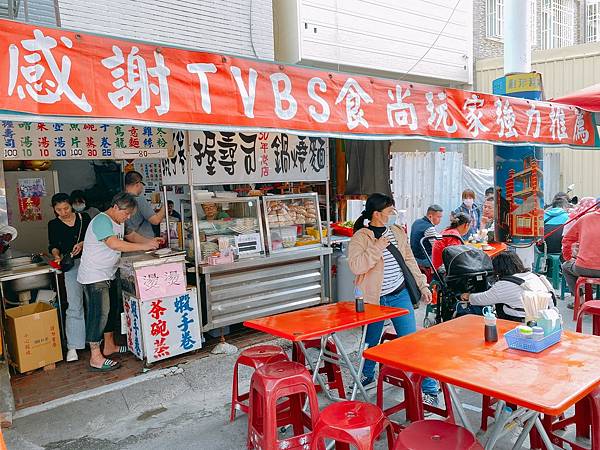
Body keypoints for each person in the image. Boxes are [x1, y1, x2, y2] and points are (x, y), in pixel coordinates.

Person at [347, 193, 438, 404]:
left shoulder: (397, 232)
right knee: (371, 340)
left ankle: (430, 389)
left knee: (411, 342)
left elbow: (409, 261)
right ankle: (367, 374)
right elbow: (357, 266)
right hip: (374, 300)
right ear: (377, 214)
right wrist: (378, 246)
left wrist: (423, 285)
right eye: (390, 212)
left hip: (400, 295)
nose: (393, 215)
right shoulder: (362, 237)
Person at [77, 193, 161, 371]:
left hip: (109, 273)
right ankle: (95, 356)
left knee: (111, 311)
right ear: (115, 207)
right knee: (98, 314)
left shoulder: (119, 220)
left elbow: (130, 236)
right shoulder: (102, 220)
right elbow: (115, 244)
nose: (128, 217)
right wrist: (144, 246)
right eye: (127, 213)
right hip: (94, 275)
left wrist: (151, 242)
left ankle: (109, 346)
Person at [47, 193, 91, 362]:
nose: (63, 212)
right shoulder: (53, 224)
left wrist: (83, 244)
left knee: (93, 302)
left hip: (90, 264)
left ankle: (93, 339)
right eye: (58, 210)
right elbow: (53, 245)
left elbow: (95, 239)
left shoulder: (84, 218)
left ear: (71, 205)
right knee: (74, 304)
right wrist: (57, 255)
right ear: (54, 210)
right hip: (71, 266)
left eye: (65, 208)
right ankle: (73, 345)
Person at [457, 251, 554, 322]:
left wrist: (467, 296)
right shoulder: (533, 276)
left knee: (497, 304)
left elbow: (483, 299)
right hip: (547, 316)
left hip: (522, 320)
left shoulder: (505, 284)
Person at [562, 200, 600, 304]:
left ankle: (580, 299)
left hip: (583, 268)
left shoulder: (584, 218)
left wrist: (568, 258)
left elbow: (567, 239)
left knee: (566, 266)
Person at [124, 171, 166, 238]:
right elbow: (156, 220)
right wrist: (165, 207)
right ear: (137, 184)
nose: (142, 187)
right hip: (143, 240)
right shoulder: (139, 200)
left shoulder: (120, 199)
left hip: (127, 240)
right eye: (142, 184)